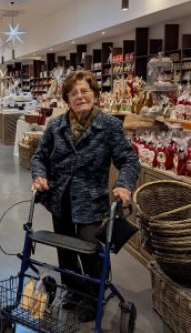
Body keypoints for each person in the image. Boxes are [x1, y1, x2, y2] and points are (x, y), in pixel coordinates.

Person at [30, 70, 140, 320]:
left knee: (91, 250)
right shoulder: (56, 125)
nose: (80, 96)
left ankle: (94, 295)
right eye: (73, 93)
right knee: (65, 249)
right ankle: (72, 290)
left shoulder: (109, 125)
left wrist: (123, 185)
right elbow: (40, 157)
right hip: (59, 198)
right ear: (67, 98)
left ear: (95, 95)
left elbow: (129, 160)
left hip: (91, 201)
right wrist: (39, 175)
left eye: (85, 91)